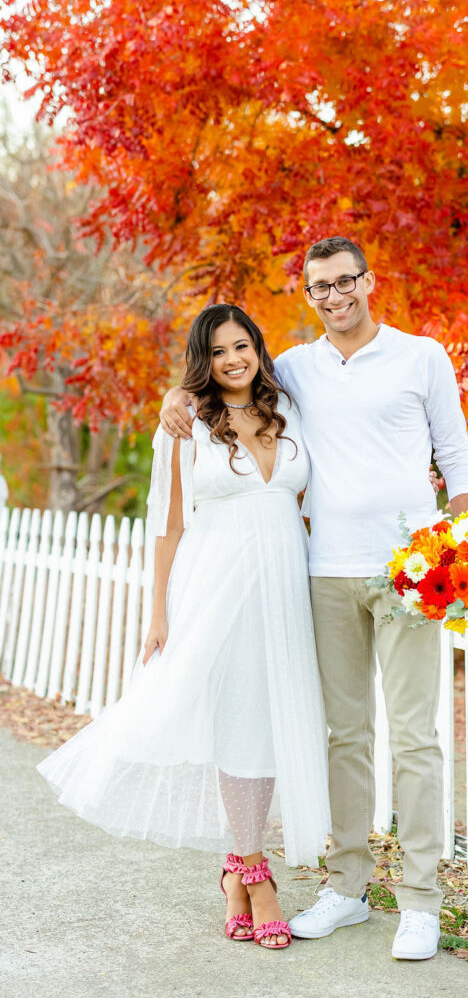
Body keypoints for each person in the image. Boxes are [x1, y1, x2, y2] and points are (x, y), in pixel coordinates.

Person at [161, 237, 468, 961]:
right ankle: (346, 888)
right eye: (319, 288)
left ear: (369, 281)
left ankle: (421, 901)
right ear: (307, 296)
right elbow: (224, 382)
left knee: (414, 738)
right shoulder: (298, 367)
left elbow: (456, 454)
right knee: (342, 736)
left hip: (409, 568)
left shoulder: (420, 355)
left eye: (345, 283)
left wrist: (465, 533)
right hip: (322, 572)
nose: (334, 297)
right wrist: (174, 395)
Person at [38, 304, 331, 951]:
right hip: (217, 586)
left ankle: (236, 866)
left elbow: (308, 498)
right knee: (235, 719)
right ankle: (256, 877)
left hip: (283, 587)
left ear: (258, 347)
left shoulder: (291, 413)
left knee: (268, 720)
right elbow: (167, 523)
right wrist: (159, 611)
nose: (233, 359)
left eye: (242, 346)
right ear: (204, 360)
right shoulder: (185, 424)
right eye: (219, 351)